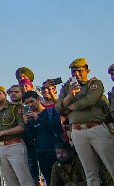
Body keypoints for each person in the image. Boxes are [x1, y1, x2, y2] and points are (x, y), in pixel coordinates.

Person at [57, 58, 114, 186]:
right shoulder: (67, 87)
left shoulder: (94, 83)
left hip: (96, 128)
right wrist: (70, 95)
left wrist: (70, 107)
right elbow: (58, 107)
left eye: (79, 71)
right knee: (89, 172)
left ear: (87, 70)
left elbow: (90, 100)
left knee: (111, 165)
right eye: (73, 72)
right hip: (77, 131)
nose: (76, 74)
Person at [0, 85, 32, 186]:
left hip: (15, 145)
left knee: (24, 179)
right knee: (9, 181)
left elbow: (21, 127)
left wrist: (3, 133)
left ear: (4, 94)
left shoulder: (15, 107)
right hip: (0, 147)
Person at [23, 89, 64, 185]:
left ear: (38, 99)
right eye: (27, 103)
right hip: (41, 153)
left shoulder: (51, 112)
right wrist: (26, 124)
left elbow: (57, 128)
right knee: (49, 180)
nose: (30, 105)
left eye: (31, 101)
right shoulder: (30, 118)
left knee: (62, 179)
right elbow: (31, 137)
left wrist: (39, 119)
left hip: (56, 151)